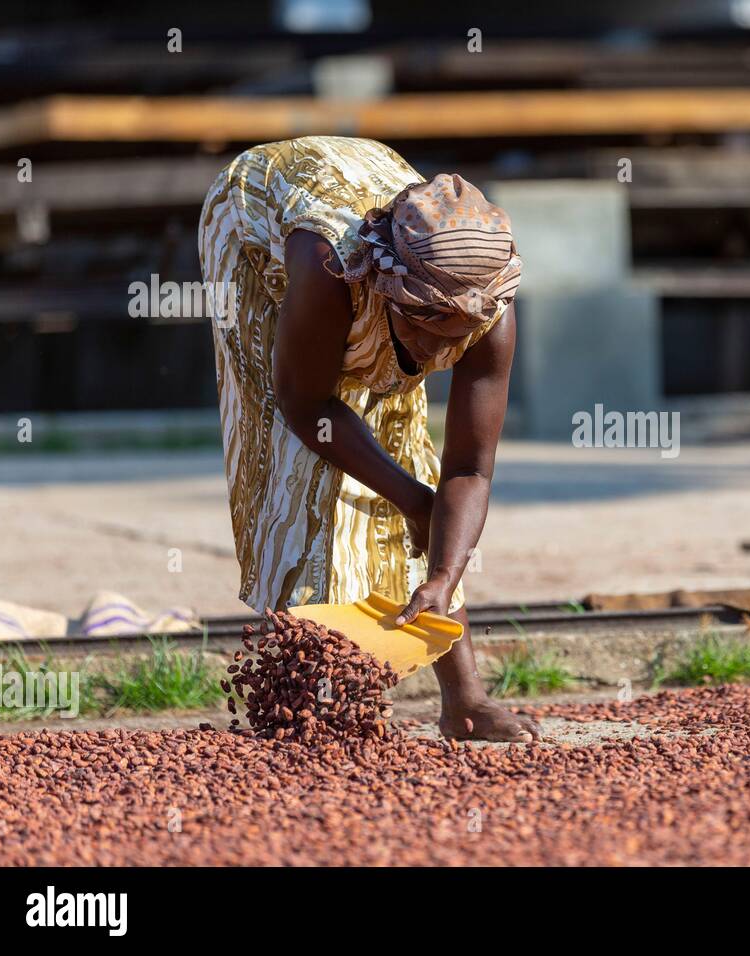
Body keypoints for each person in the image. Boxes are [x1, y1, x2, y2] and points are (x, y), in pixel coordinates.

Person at [198, 135, 540, 742]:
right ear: (388, 285)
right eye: (425, 323)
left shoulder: (488, 310)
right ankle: (301, 694)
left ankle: (464, 703)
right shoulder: (327, 269)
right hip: (252, 217)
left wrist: (440, 573)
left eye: (455, 335)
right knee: (296, 462)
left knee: (403, 437)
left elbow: (469, 470)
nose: (437, 352)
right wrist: (411, 499)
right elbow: (307, 408)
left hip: (374, 214)